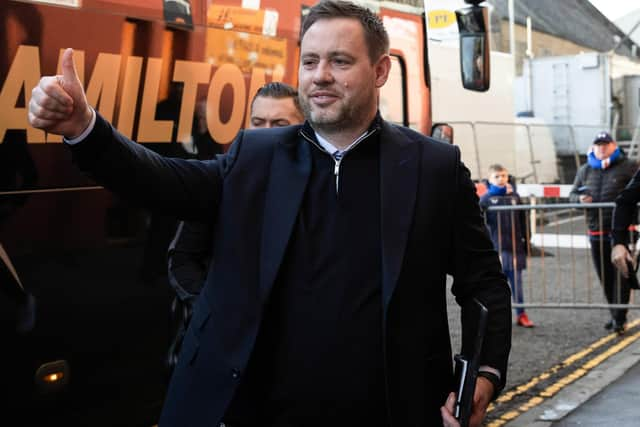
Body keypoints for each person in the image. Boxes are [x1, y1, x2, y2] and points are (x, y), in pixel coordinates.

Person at [28, 2, 512, 426]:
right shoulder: (255, 155)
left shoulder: (433, 167)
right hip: (258, 411)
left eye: (340, 61)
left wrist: (485, 373)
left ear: (381, 70)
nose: (320, 75)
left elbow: (483, 282)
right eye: (310, 61)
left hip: (390, 408)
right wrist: (85, 129)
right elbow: (163, 181)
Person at [165, 82, 305, 372]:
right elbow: (181, 259)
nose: (266, 131)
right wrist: (215, 309)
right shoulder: (222, 180)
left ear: (303, 130)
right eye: (258, 122)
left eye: (279, 123)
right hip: (219, 348)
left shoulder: (317, 187)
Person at [569, 131, 638, 335]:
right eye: (598, 144)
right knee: (606, 277)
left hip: (625, 232)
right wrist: (578, 200)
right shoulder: (585, 170)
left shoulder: (629, 166)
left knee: (622, 275)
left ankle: (620, 317)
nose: (601, 148)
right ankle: (614, 313)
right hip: (596, 231)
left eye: (605, 144)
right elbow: (572, 194)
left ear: (614, 146)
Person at [479, 164, 534, 328]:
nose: (501, 179)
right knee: (496, 287)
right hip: (496, 250)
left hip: (515, 248)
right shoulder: (486, 200)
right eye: (497, 176)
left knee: (517, 284)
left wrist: (527, 241)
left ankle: (521, 314)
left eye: (504, 175)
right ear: (490, 179)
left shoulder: (515, 197)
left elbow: (524, 222)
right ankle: (495, 318)